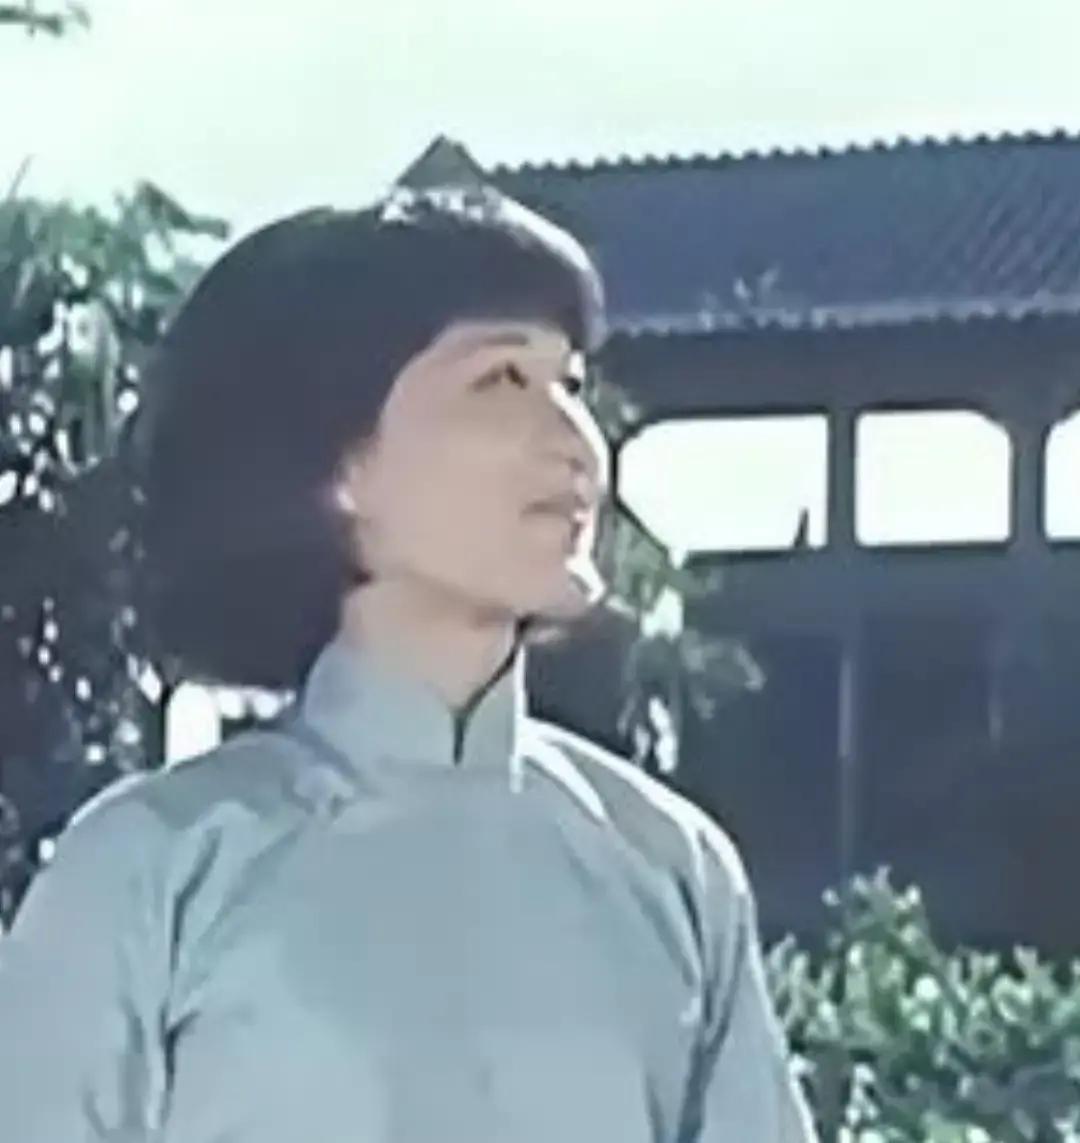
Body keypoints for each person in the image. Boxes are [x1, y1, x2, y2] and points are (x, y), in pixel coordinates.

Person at [0, 180, 818, 1141]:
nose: (578, 446)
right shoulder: (154, 866)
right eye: (500, 381)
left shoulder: (672, 869)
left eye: (570, 386)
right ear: (335, 466)